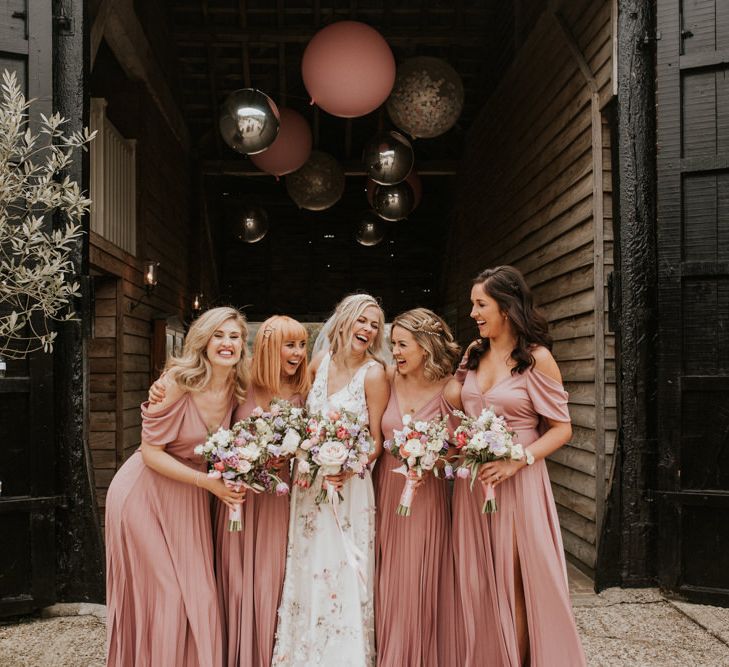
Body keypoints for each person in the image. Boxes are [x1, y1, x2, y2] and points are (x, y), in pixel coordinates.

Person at [147, 314, 311, 667]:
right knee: (227, 582)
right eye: (289, 344)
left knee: (271, 581)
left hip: (275, 500)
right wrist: (162, 384)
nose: (296, 353)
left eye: (301, 344)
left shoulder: (304, 387)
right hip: (230, 497)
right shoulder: (242, 380)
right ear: (267, 346)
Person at [445, 266, 586, 666]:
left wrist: (516, 461)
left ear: (506, 308)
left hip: (520, 482)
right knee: (479, 581)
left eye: (480, 304)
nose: (473, 312)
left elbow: (562, 429)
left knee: (517, 581)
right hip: (476, 485)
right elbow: (456, 401)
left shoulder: (536, 359)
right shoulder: (475, 354)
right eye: (473, 304)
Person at [105, 307, 248, 667]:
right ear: (203, 340)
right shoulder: (176, 382)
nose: (227, 343)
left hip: (190, 499)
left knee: (198, 593)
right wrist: (208, 482)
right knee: (167, 591)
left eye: (234, 336)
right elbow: (151, 454)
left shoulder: (239, 388)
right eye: (218, 335)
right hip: (144, 493)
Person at [273, 294, 390, 667]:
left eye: (374, 324)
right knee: (307, 563)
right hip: (309, 484)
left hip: (349, 486)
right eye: (363, 321)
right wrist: (310, 453)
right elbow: (303, 416)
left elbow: (376, 440)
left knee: (342, 567)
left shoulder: (374, 374)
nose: (368, 330)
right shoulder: (319, 362)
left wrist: (347, 464)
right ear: (344, 320)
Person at [373, 308, 463, 667]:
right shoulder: (386, 378)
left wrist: (432, 462)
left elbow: (458, 448)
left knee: (419, 579)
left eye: (401, 344)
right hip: (385, 488)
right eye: (392, 343)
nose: (394, 351)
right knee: (387, 577)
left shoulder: (450, 388)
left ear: (425, 346)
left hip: (427, 494)